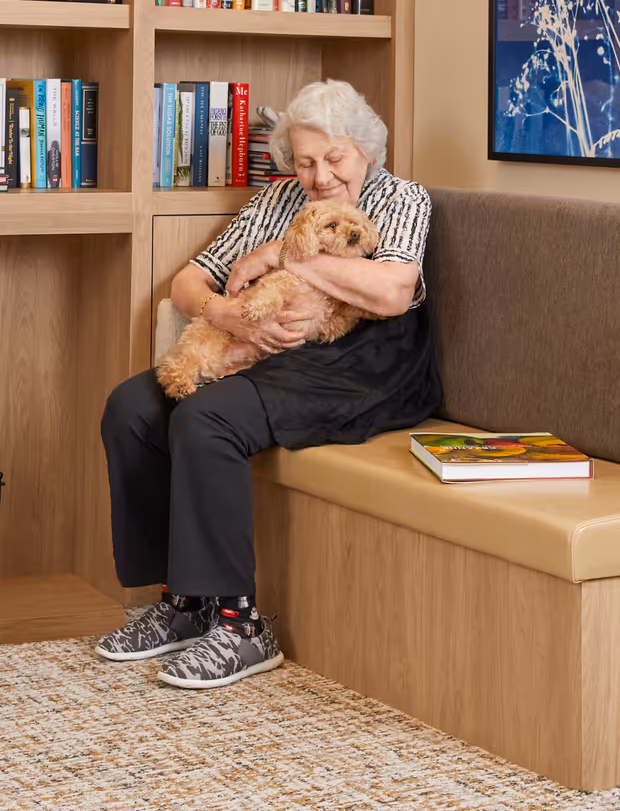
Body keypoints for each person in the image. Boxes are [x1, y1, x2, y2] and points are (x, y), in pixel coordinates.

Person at [96, 80, 438, 689]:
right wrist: (221, 313)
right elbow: (187, 284)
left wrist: (285, 256)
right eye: (305, 162)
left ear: (367, 153)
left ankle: (241, 624)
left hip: (363, 366)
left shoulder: (403, 198)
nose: (321, 176)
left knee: (205, 419)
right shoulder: (275, 198)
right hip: (263, 351)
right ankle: (183, 603)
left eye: (335, 159)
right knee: (132, 408)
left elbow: (391, 292)